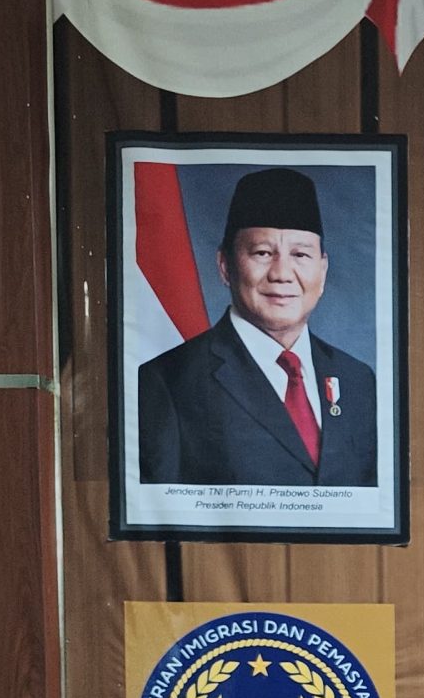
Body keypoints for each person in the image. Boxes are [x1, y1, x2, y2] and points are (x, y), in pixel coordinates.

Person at [137, 166, 378, 488]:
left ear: (322, 270)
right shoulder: (168, 381)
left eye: (300, 254)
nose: (282, 274)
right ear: (225, 266)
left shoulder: (358, 380)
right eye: (263, 253)